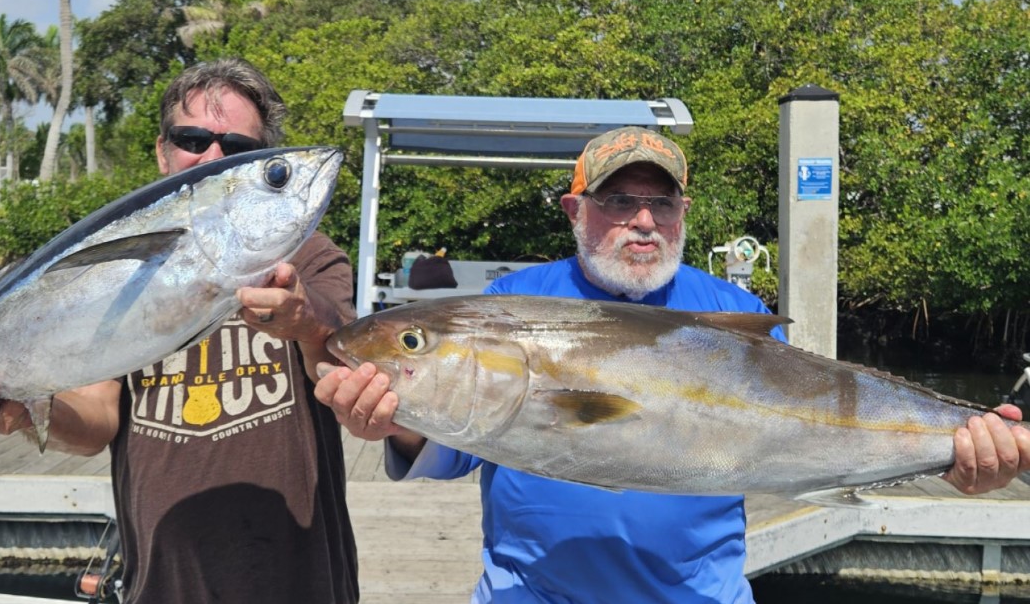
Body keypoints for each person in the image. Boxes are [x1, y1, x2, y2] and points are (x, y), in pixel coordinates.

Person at [317, 126, 1030, 603]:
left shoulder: (730, 307)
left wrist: (958, 454)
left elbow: (822, 431)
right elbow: (457, 442)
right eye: (618, 200)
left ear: (683, 211)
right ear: (574, 209)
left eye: (660, 202)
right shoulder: (511, 301)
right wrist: (394, 421)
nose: (643, 220)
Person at [0, 58, 359, 603]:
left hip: (299, 587)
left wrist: (308, 322)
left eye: (242, 150)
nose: (212, 157)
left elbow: (347, 370)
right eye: (192, 139)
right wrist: (20, 412)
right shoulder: (112, 256)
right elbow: (98, 423)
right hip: (158, 587)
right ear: (162, 150)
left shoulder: (313, 263)